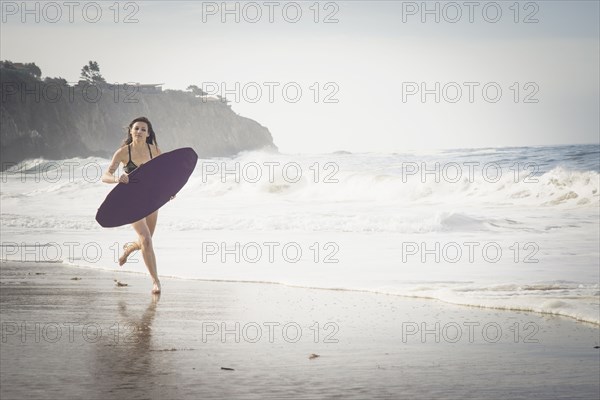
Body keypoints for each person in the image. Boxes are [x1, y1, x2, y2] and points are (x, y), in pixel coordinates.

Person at [101, 116, 162, 294]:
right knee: (146, 240)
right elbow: (105, 176)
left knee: (147, 239)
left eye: (144, 129)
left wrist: (169, 191)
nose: (140, 132)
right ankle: (155, 281)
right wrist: (116, 179)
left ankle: (129, 249)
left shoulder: (155, 151)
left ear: (148, 133)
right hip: (131, 200)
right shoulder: (123, 152)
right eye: (136, 128)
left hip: (152, 199)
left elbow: (164, 175)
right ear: (130, 131)